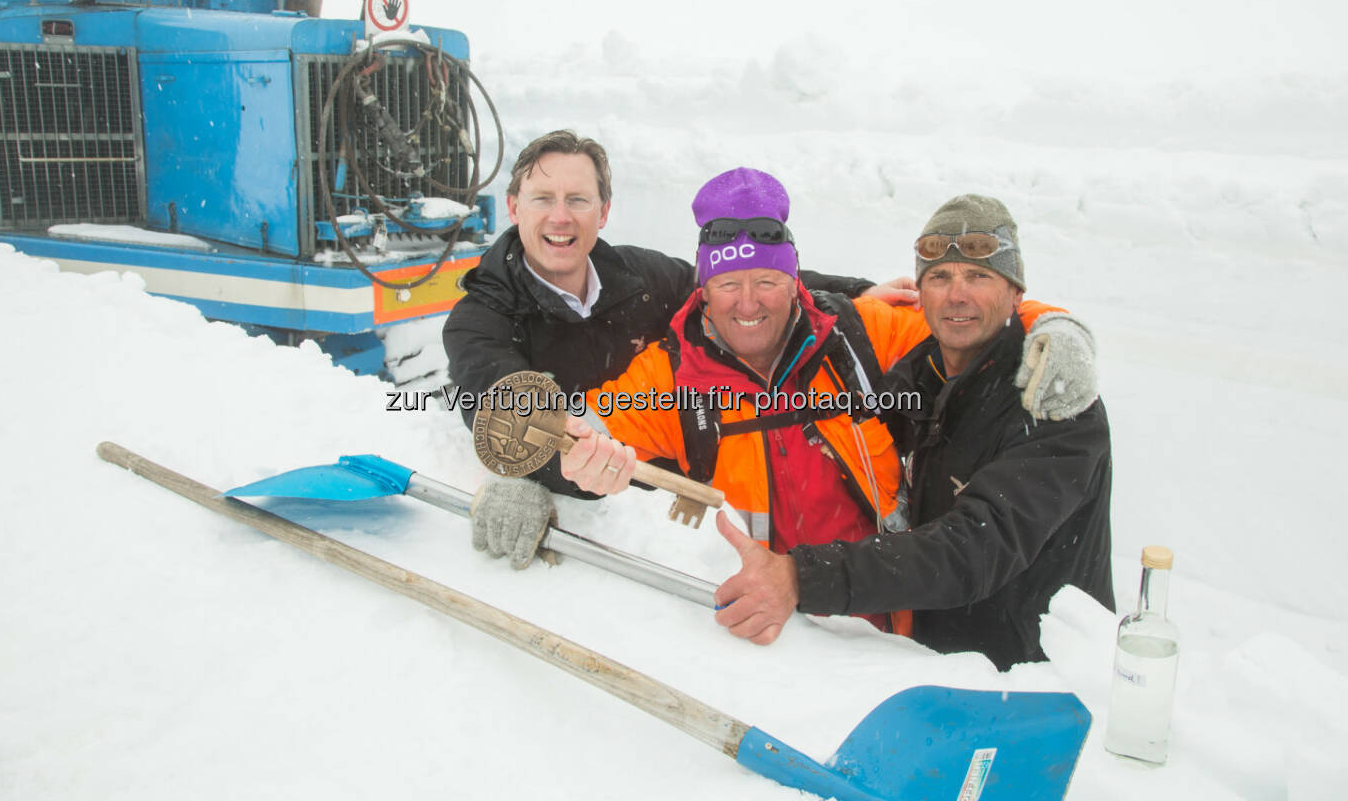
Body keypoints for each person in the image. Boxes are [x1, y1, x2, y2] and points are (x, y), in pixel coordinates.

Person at [553, 171, 1098, 652]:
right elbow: (577, 436)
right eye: (727, 285)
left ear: (795, 282)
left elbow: (966, 319)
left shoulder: (858, 334)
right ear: (703, 288)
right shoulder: (667, 378)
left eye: (767, 281)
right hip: (775, 641)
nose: (748, 304)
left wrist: (1054, 325)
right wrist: (547, 475)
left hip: (895, 632)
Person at [443, 131, 915, 566]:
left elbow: (737, 281)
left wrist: (855, 293)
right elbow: (500, 403)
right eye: (543, 198)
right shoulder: (480, 320)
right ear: (513, 207)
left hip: (674, 486)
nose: (561, 216)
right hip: (609, 491)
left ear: (603, 211)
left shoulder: (638, 277)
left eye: (578, 200)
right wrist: (535, 473)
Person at [714, 193, 1113, 669]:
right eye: (940, 277)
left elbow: (973, 550)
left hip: (1040, 676)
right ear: (920, 292)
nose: (956, 295)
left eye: (979, 277)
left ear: (1016, 294)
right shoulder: (918, 377)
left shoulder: (1055, 400)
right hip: (933, 662)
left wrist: (801, 577)